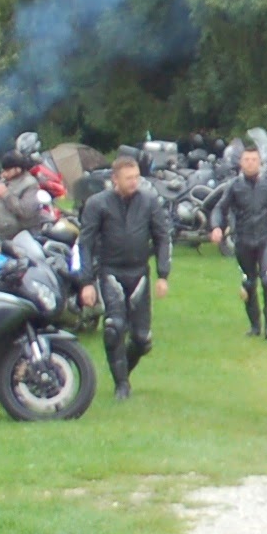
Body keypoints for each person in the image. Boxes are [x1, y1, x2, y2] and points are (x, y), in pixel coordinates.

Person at [78, 149, 174, 399]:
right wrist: (86, 281)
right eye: (129, 178)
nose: (134, 182)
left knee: (142, 339)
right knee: (114, 328)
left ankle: (123, 372)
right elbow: (85, 243)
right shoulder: (97, 203)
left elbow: (162, 237)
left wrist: (163, 274)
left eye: (136, 177)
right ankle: (121, 384)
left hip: (139, 272)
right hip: (110, 271)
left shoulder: (149, 201)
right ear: (115, 179)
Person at [208, 141, 267, 338]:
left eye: (254, 159)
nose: (250, 163)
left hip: (266, 240)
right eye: (246, 160)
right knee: (249, 284)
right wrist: (216, 227)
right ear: (241, 163)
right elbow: (219, 208)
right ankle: (254, 327)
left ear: (260, 162)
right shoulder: (234, 185)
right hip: (243, 241)